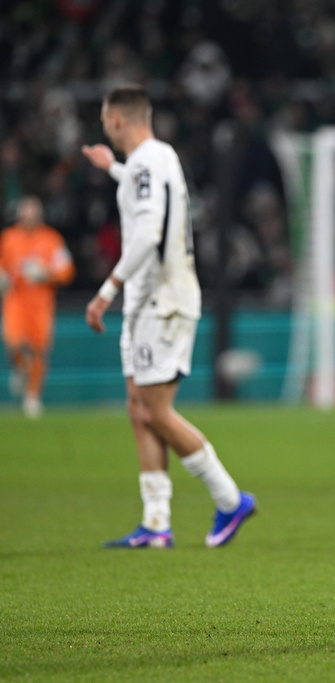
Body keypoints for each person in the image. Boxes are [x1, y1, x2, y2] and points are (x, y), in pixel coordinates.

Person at [81, 85, 256, 548]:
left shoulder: (145, 161)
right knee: (139, 408)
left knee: (153, 410)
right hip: (154, 301)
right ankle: (156, 522)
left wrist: (106, 292)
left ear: (117, 119)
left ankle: (229, 498)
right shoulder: (157, 159)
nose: (105, 127)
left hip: (161, 300)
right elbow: (153, 201)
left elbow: (146, 233)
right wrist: (112, 167)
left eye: (105, 119)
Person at [0, 196, 76, 418]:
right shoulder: (8, 238)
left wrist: (46, 273)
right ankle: (18, 368)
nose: (30, 216)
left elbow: (67, 270)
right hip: (16, 300)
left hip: (41, 303)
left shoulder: (51, 239)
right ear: (20, 214)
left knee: (39, 350)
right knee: (14, 343)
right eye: (26, 212)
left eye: (34, 212)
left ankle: (32, 396)